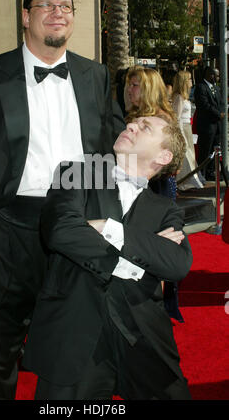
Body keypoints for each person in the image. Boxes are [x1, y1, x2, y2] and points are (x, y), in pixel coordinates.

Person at [0, 0, 124, 400]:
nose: (58, 12)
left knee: (78, 351)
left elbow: (107, 156)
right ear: (25, 16)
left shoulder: (95, 75)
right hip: (5, 231)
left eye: (66, 6)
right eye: (47, 5)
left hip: (78, 228)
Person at [22, 114, 192, 400]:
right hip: (75, 329)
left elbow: (177, 263)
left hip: (142, 334)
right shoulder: (76, 172)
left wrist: (105, 227)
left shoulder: (165, 209)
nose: (130, 125)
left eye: (145, 127)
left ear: (164, 155)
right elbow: (60, 230)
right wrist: (137, 260)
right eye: (133, 122)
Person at [124, 66, 184, 322]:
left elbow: (174, 162)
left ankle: (154, 309)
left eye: (135, 84)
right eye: (129, 84)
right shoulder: (133, 115)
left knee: (155, 248)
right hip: (136, 184)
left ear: (148, 88)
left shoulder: (161, 119)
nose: (129, 89)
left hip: (156, 187)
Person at [172, 70, 204, 191]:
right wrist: (180, 134)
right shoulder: (179, 97)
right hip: (182, 129)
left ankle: (190, 180)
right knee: (186, 156)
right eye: (189, 79)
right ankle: (185, 181)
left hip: (187, 128)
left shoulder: (183, 96)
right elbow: (177, 117)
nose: (191, 81)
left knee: (191, 155)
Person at [194, 66, 224, 181]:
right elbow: (204, 105)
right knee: (205, 150)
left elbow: (220, 102)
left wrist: (222, 112)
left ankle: (211, 173)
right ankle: (202, 173)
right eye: (216, 75)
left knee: (214, 150)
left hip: (217, 125)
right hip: (206, 125)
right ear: (210, 75)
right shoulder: (201, 87)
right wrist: (218, 114)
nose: (217, 78)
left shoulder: (216, 88)